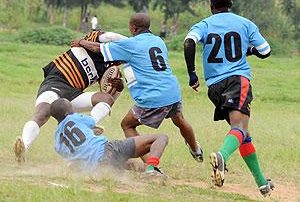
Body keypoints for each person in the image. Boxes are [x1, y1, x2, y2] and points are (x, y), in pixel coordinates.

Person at [72, 13, 204, 163]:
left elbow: (99, 48)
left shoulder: (131, 44)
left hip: (152, 97)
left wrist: (81, 41)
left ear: (133, 28)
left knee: (127, 124)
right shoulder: (158, 41)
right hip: (172, 91)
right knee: (179, 119)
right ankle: (196, 150)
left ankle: (150, 165)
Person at [183, 0, 274, 196]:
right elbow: (265, 51)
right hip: (237, 81)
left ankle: (262, 183)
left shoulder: (204, 24)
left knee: (242, 133)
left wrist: (192, 74)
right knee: (240, 128)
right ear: (230, 4)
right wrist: (247, 50)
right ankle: (222, 157)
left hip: (214, 87)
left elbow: (189, 43)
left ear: (211, 6)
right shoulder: (245, 23)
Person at [14, 30, 127, 163]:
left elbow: (111, 97)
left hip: (74, 93)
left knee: (106, 99)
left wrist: (119, 86)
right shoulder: (93, 40)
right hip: (55, 82)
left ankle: (88, 125)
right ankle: (24, 147)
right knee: (43, 113)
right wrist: (131, 42)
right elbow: (110, 36)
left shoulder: (109, 66)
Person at [51, 98, 168, 176]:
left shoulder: (57, 142)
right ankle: (152, 168)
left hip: (98, 169)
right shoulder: (73, 118)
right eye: (71, 108)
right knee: (161, 137)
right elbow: (92, 121)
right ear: (67, 113)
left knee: (126, 164)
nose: (73, 110)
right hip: (109, 150)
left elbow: (74, 159)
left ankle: (152, 171)